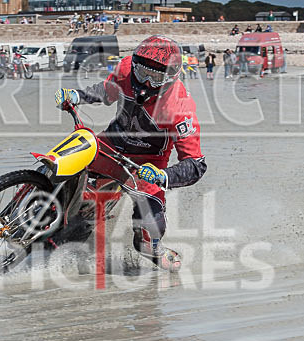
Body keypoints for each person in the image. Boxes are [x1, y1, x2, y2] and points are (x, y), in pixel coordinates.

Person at [53, 35, 206, 271]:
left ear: (171, 77)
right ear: (133, 63)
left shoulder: (181, 109)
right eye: (142, 71)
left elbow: (196, 164)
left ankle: (159, 253)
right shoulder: (125, 68)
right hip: (110, 144)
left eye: (155, 76)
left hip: (146, 167)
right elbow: (106, 91)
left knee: (146, 235)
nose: (144, 81)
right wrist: (78, 96)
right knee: (67, 158)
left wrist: (162, 176)